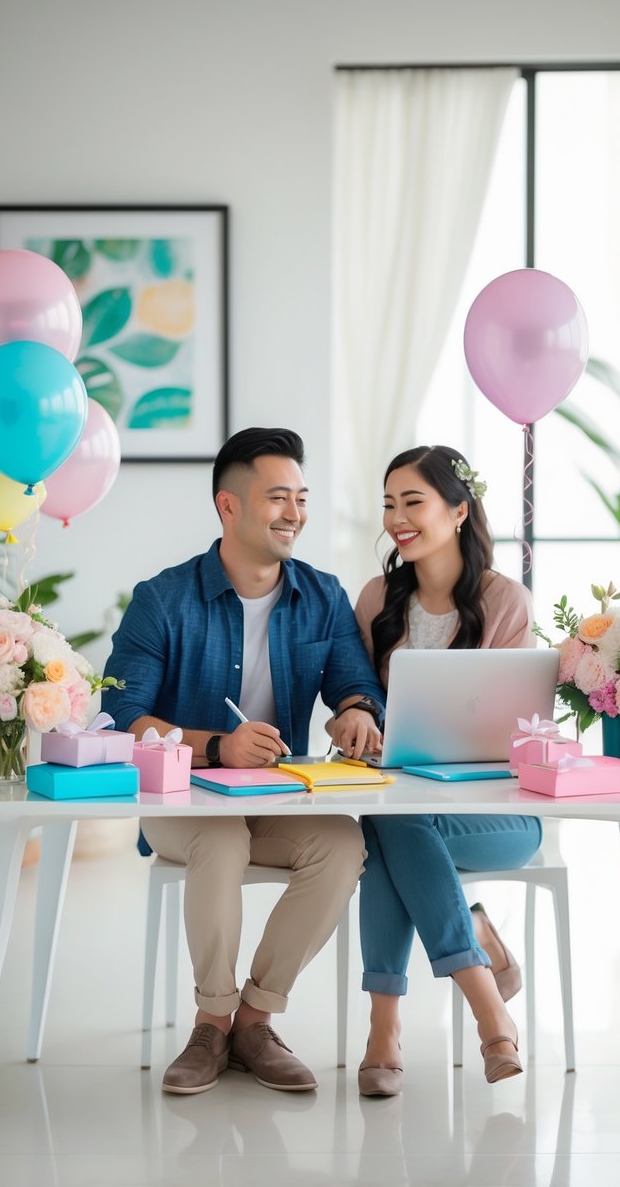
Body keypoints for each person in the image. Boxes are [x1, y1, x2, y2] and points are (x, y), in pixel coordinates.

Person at [103, 427, 385, 1096]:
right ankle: (211, 1020)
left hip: (274, 800)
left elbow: (356, 685)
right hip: (181, 805)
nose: (294, 513)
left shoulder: (321, 594)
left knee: (343, 843)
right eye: (277, 497)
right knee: (221, 838)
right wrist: (212, 746)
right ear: (229, 507)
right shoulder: (163, 599)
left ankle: (254, 1020)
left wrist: (355, 713)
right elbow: (120, 717)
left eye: (301, 498)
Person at [352, 444, 542, 1096]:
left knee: (385, 831)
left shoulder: (503, 600)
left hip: (498, 814)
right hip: (401, 801)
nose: (396, 518)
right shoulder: (376, 598)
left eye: (412, 502)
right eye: (387, 504)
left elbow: (518, 728)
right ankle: (485, 1005)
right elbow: (362, 700)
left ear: (458, 510)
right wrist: (357, 722)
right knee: (390, 825)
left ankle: (389, 1031)